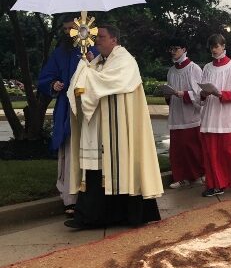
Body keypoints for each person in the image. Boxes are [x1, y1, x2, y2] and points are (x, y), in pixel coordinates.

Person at [65, 25, 163, 229]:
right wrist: (86, 65)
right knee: (96, 171)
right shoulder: (98, 61)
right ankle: (92, 216)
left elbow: (105, 82)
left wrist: (86, 70)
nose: (97, 40)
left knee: (120, 168)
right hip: (100, 129)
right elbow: (85, 84)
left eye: (101, 37)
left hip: (120, 130)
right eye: (96, 37)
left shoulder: (125, 61)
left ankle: (125, 214)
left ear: (114, 40)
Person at [37, 20, 97, 217]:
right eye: (65, 29)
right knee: (70, 152)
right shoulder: (60, 53)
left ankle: (93, 195)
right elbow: (46, 77)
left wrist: (93, 61)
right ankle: (70, 198)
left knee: (92, 151)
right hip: (68, 109)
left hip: (91, 109)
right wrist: (53, 84)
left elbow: (105, 74)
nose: (68, 32)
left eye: (72, 28)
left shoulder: (93, 50)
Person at [199, 34, 231, 196]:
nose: (214, 50)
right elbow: (200, 91)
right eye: (211, 47)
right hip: (211, 115)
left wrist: (222, 94)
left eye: (216, 46)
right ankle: (216, 184)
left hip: (228, 116)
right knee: (212, 153)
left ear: (223, 46)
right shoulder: (207, 67)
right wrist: (203, 94)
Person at [165, 38, 204, 189]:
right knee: (177, 149)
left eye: (176, 48)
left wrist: (184, 94)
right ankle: (180, 177)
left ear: (184, 49)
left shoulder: (193, 69)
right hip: (176, 114)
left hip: (190, 115)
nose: (173, 52)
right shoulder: (171, 71)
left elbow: (200, 94)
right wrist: (168, 95)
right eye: (171, 49)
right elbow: (169, 91)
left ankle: (198, 174)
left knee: (192, 148)